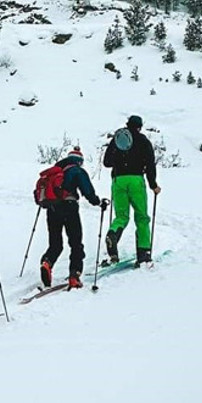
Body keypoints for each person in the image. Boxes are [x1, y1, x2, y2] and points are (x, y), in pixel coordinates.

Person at [102, 115, 161, 267]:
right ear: (140, 126)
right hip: (136, 180)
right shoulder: (143, 140)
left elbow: (106, 162)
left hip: (118, 181)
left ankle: (113, 234)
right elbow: (150, 164)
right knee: (141, 217)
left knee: (121, 216)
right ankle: (143, 254)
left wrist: (119, 160)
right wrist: (153, 184)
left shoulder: (117, 139)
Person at [39, 147, 101, 289]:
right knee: (75, 243)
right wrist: (97, 202)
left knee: (55, 244)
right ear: (79, 161)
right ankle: (74, 276)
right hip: (69, 208)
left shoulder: (54, 171)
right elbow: (88, 191)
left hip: (52, 209)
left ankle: (47, 262)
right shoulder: (77, 170)